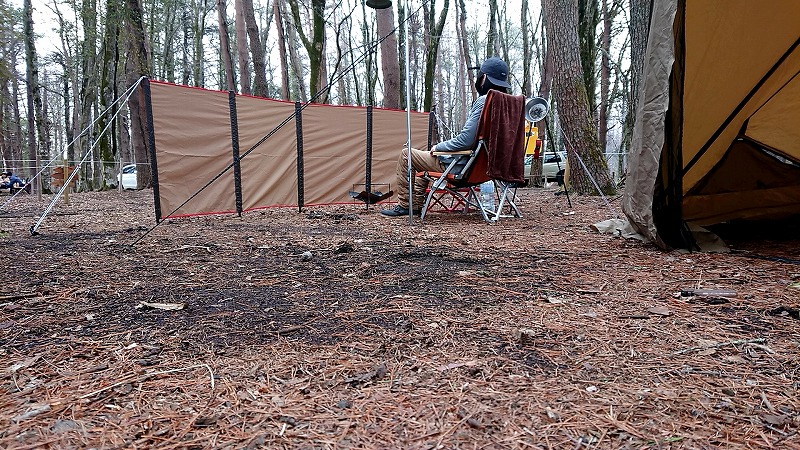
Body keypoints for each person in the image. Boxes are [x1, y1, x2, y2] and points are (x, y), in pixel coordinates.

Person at [381, 57, 512, 217]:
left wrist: (439, 148)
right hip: (486, 169)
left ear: (483, 78)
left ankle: (405, 205)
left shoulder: (485, 101)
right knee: (422, 161)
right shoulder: (507, 104)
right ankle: (415, 205)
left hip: (463, 166)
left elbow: (466, 141)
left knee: (407, 155)